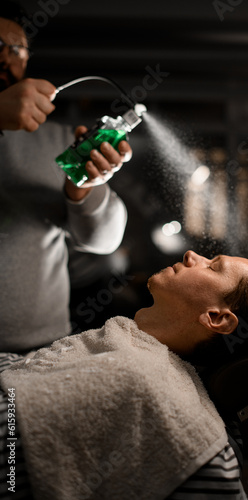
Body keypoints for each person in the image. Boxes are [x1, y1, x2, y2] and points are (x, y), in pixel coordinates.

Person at [0, 250, 248, 500]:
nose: (192, 254)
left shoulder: (142, 381)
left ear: (217, 318)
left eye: (212, 266)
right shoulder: (126, 344)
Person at [0, 1, 133, 353]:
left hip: (34, 354)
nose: (6, 58)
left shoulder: (58, 140)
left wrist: (85, 189)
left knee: (11, 413)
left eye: (17, 49)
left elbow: (103, 242)